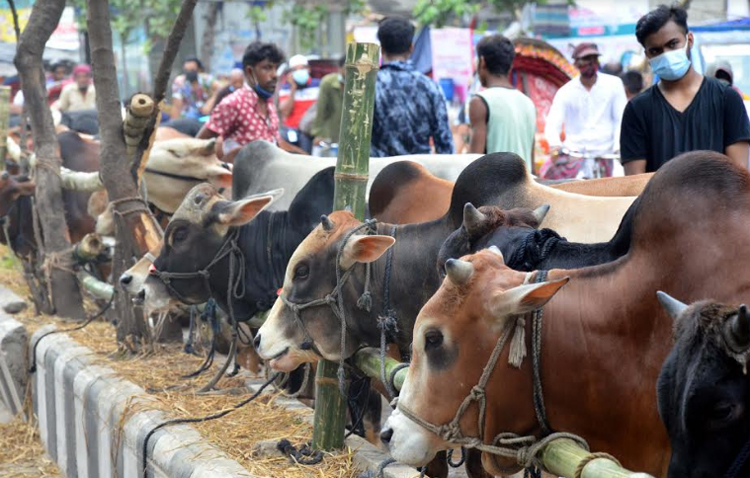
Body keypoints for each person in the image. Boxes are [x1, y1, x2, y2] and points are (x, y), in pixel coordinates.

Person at [620, 5, 750, 174]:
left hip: (718, 200)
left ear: (689, 40)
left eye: (673, 44)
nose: (666, 54)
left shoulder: (726, 98)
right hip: (659, 201)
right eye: (656, 50)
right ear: (648, 55)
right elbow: (634, 183)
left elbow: (739, 177)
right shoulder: (637, 110)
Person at [198, 42, 303, 157]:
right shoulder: (233, 103)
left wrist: (307, 158)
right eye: (267, 68)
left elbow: (276, 143)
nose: (274, 75)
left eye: (276, 68)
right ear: (249, 71)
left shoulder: (268, 102)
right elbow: (199, 144)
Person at [370, 16, 453, 157]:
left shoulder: (368, 87)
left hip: (378, 175)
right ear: (411, 48)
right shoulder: (430, 87)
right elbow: (444, 145)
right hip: (420, 174)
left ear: (382, 49)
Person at [544, 43, 627, 159]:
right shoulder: (565, 91)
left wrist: (618, 146)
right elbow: (553, 123)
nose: (590, 63)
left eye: (593, 59)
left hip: (608, 154)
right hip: (575, 154)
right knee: (547, 174)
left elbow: (621, 119)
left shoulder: (614, 84)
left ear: (598, 62)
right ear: (576, 63)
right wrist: (555, 144)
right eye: (585, 59)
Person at [468, 34, 536, 170]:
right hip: (526, 188)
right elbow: (532, 164)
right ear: (510, 66)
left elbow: (473, 163)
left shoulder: (480, 102)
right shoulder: (528, 103)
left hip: (496, 189)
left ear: (482, 62)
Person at [278, 55, 320, 153]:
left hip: (311, 132)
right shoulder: (285, 88)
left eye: (302, 68)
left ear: (308, 69)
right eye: (295, 69)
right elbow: (285, 112)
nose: (299, 72)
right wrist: (293, 88)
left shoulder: (318, 86)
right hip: (291, 132)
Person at [312, 56, 346, 147]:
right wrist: (318, 134)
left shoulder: (360, 84)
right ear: (340, 68)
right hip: (330, 132)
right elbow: (321, 110)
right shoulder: (328, 82)